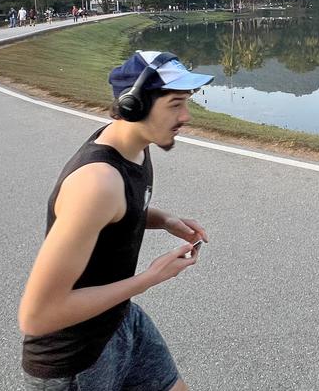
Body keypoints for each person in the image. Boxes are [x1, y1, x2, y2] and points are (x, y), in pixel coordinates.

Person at [19, 51, 215, 390]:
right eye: (175, 104)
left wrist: (162, 219)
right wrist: (150, 277)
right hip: (74, 361)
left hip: (119, 319)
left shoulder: (135, 145)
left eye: (186, 102)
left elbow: (118, 211)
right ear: (133, 106)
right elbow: (37, 316)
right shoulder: (96, 183)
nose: (186, 116)